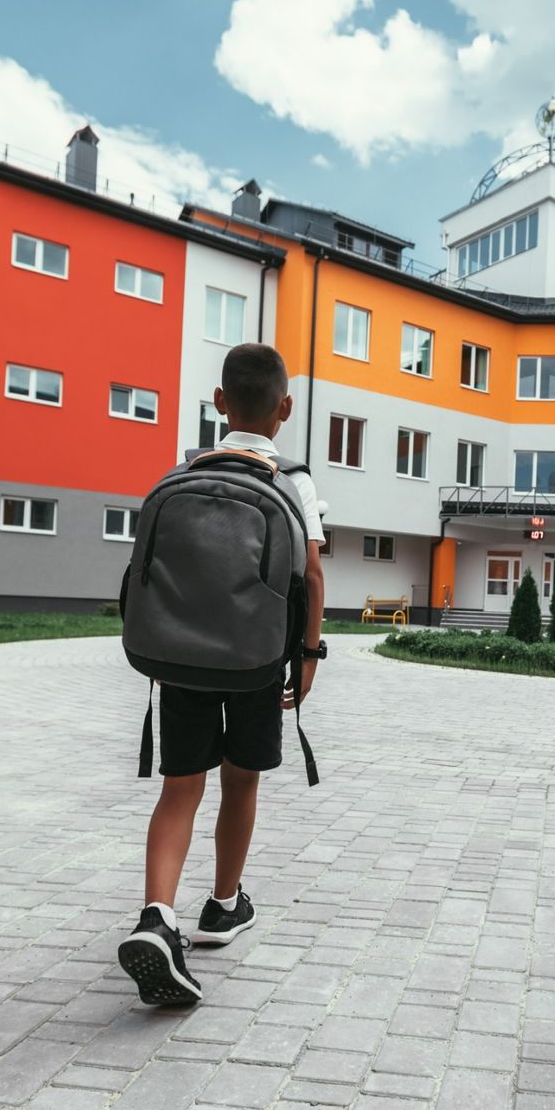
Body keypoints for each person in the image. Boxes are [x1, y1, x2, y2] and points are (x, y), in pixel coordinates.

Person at [117, 343, 326, 1006]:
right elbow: (313, 575)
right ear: (284, 408)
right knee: (241, 781)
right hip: (256, 658)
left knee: (180, 788)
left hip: (180, 652)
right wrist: (310, 655)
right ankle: (223, 905)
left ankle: (158, 916)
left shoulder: (182, 471)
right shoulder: (292, 480)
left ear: (219, 402)